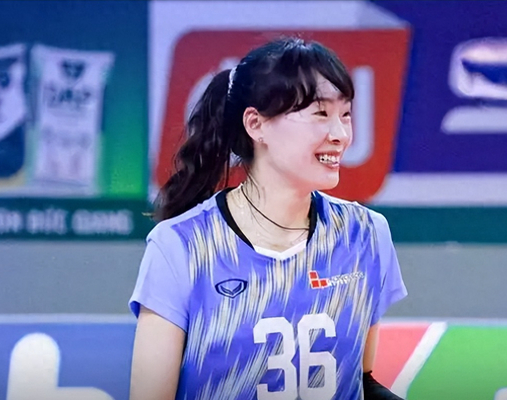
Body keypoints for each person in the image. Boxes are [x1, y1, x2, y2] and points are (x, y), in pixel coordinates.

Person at [129, 37, 407, 400]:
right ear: (256, 124)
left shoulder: (365, 235)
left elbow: (361, 381)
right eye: (320, 114)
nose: (340, 135)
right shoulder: (180, 246)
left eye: (346, 114)